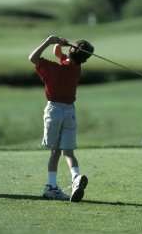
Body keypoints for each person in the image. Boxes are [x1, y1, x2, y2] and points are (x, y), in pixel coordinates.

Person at [28, 35, 94, 202]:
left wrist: (50, 41)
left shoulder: (53, 69)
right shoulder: (76, 69)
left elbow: (32, 58)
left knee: (55, 151)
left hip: (54, 111)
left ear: (72, 50)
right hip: (70, 111)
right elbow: (59, 53)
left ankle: (51, 187)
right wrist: (61, 46)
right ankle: (76, 177)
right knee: (69, 152)